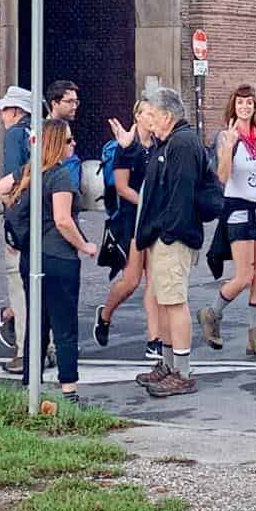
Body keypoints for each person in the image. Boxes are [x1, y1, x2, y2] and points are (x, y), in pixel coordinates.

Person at [4, 117, 95, 395]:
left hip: (31, 257)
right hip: (58, 257)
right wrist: (85, 246)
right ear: (57, 144)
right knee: (64, 324)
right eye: (69, 140)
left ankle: (31, 384)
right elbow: (63, 220)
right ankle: (69, 388)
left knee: (37, 322)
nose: (73, 144)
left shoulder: (28, 172)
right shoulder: (59, 176)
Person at [134, 85, 211, 398]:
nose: (147, 119)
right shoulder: (169, 142)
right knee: (164, 301)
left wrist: (166, 232)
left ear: (166, 116)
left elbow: (180, 193)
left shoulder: (181, 144)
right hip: (164, 236)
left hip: (173, 237)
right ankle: (168, 365)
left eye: (151, 114)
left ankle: (182, 371)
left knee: (174, 302)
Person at [197, 85, 256, 358]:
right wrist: (227, 148)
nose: (245, 107)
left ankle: (255, 337)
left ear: (255, 107)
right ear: (233, 107)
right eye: (240, 103)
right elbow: (223, 176)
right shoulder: (226, 137)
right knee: (244, 276)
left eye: (249, 103)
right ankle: (212, 312)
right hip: (238, 210)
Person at [92, 108, 155, 353]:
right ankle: (105, 314)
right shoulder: (125, 147)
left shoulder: (160, 145)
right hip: (132, 220)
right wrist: (146, 203)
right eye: (148, 113)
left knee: (155, 282)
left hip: (155, 220)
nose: (153, 117)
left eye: (155, 113)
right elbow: (121, 188)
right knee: (131, 281)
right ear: (137, 116)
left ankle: (154, 340)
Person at [0, 85, 36, 355]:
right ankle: (46, 345)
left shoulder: (14, 134)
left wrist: (11, 222)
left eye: (5, 109)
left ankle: (24, 350)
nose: (2, 115)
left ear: (16, 111)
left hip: (21, 217)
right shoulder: (39, 131)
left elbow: (10, 183)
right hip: (41, 215)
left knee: (19, 285)